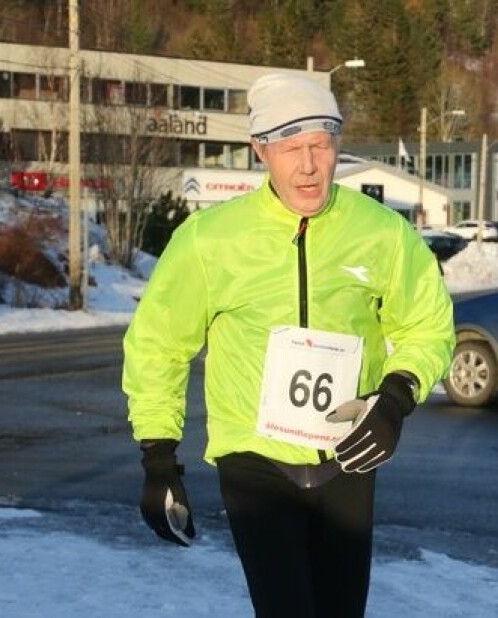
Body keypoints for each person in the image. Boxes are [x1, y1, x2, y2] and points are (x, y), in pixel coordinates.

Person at [122, 72, 455, 617]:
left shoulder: (382, 233)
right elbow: (158, 344)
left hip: (347, 457)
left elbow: (427, 323)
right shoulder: (211, 239)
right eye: (291, 147)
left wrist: (396, 397)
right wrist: (159, 458)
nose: (308, 164)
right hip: (255, 464)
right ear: (261, 150)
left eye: (321, 145)